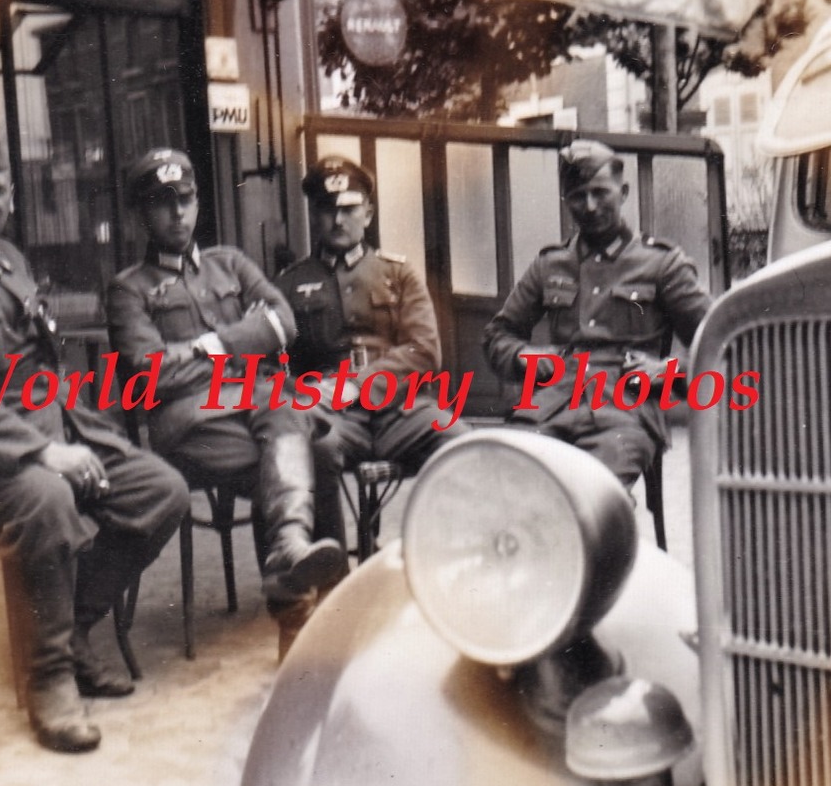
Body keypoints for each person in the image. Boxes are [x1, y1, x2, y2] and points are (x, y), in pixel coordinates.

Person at [0, 132, 189, 754]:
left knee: (161, 490)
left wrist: (72, 434)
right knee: (48, 500)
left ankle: (69, 629)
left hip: (46, 425)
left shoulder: (10, 261)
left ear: (13, 197)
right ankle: (49, 677)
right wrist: (45, 452)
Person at [106, 147, 348, 644]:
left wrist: (204, 347)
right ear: (140, 214)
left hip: (254, 411)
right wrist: (244, 341)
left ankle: (300, 581)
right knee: (301, 442)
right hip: (189, 425)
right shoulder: (128, 290)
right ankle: (304, 592)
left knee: (310, 445)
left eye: (187, 199)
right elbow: (152, 377)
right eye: (162, 202)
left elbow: (285, 323)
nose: (178, 213)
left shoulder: (231, 265)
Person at [483, 139, 713, 489]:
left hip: (624, 414)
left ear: (623, 192)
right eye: (577, 196)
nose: (589, 206)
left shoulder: (662, 263)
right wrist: (525, 356)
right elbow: (498, 336)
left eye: (600, 192)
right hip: (549, 406)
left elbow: (717, 341)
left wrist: (667, 371)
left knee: (593, 496)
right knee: (504, 478)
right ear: (566, 200)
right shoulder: (550, 264)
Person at [276, 155, 468, 551]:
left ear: (368, 212)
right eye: (328, 210)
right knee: (316, 448)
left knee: (460, 443)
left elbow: (424, 350)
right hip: (331, 416)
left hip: (401, 411)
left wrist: (358, 385)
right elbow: (275, 364)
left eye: (349, 209)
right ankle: (330, 573)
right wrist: (309, 393)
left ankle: (442, 554)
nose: (338, 220)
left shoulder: (398, 274)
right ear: (314, 215)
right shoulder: (291, 284)